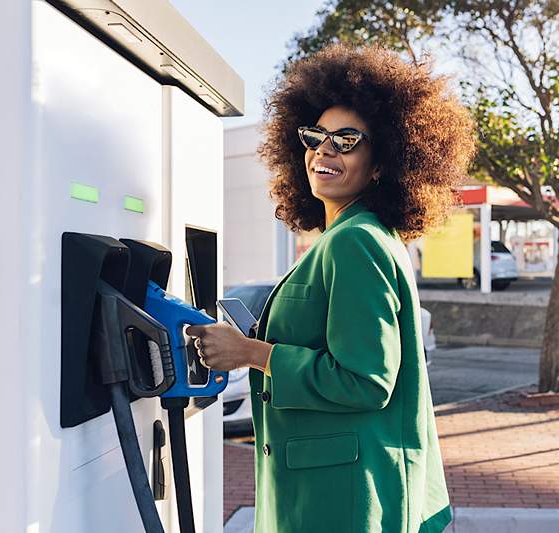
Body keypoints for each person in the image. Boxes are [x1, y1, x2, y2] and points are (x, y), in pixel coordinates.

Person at [186, 45, 475, 533]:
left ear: (382, 162)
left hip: (345, 498)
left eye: (347, 140)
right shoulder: (355, 236)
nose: (324, 149)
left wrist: (252, 352)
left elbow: (365, 380)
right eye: (316, 136)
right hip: (337, 489)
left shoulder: (355, 242)